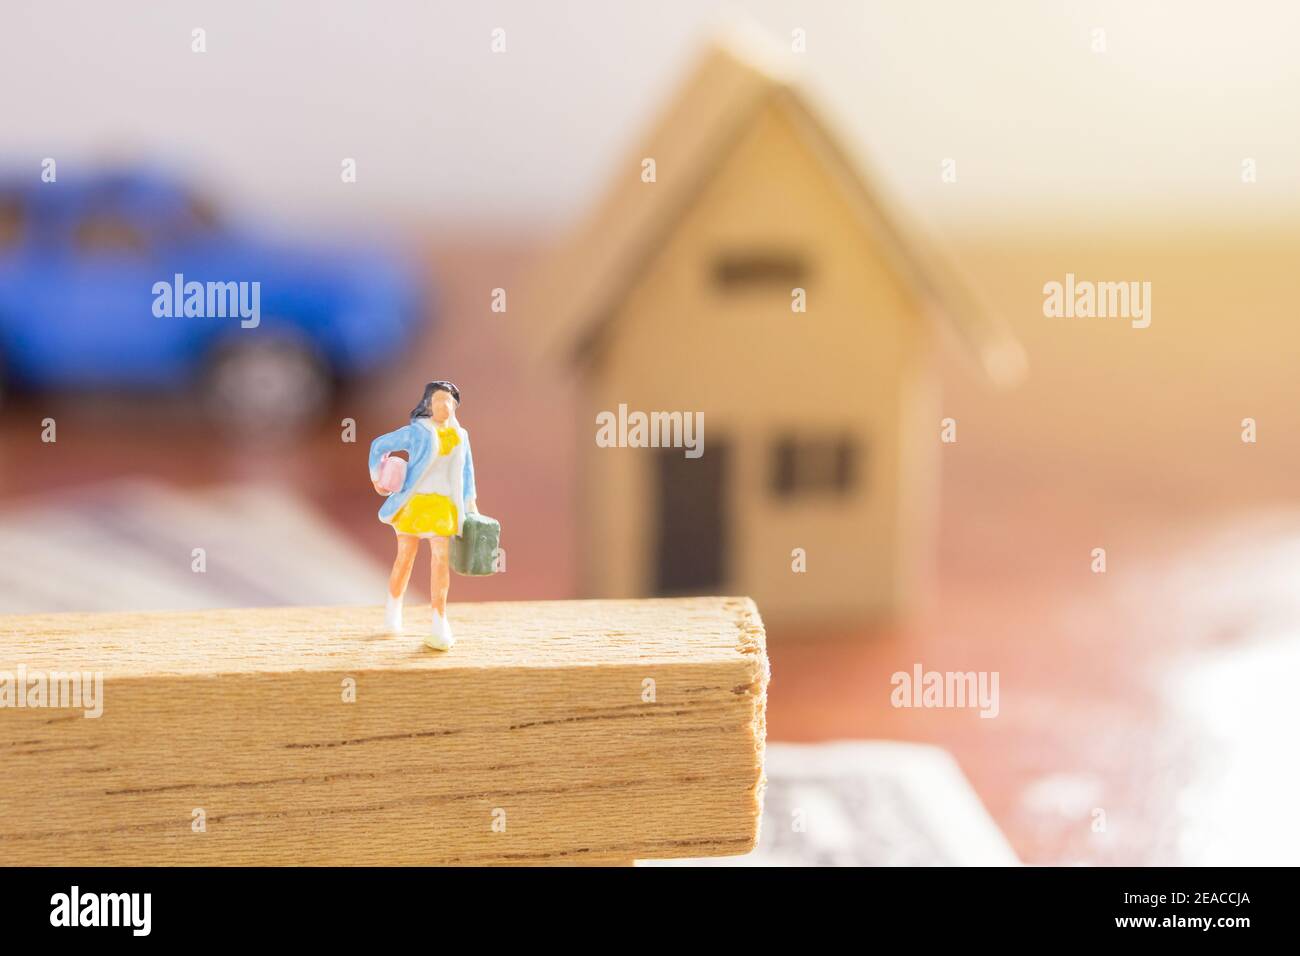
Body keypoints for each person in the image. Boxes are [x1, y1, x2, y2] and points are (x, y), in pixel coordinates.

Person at [368, 381, 476, 650]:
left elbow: (467, 474)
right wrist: (378, 478)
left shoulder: (460, 436)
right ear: (429, 405)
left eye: (450, 402)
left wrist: (470, 504)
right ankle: (393, 613)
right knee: (405, 557)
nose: (445, 406)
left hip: (443, 507)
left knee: (440, 560)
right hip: (414, 504)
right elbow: (380, 445)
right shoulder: (418, 433)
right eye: (440, 401)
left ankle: (440, 621)